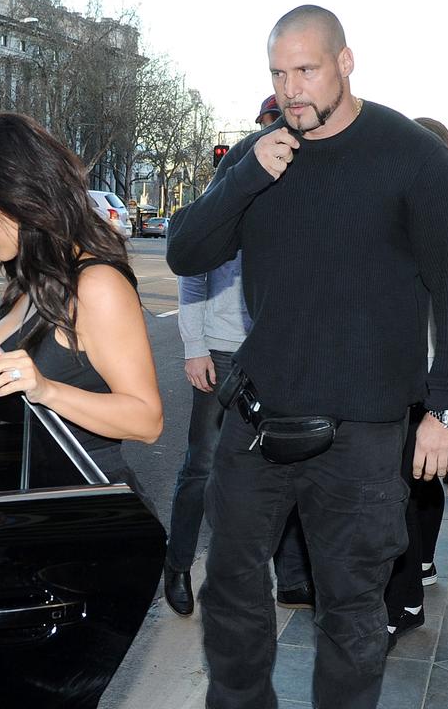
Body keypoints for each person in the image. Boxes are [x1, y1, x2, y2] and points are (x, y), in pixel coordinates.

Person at [166, 5, 448, 708]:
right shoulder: (261, 155)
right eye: (279, 75)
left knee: (350, 610)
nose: (292, 90)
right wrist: (244, 176)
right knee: (230, 591)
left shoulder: (409, 153)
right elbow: (187, 251)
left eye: (306, 70)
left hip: (364, 430)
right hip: (257, 419)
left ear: (345, 63)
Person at [0, 112, 163, 495]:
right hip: (31, 496)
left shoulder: (97, 285)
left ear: (17, 195)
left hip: (84, 505)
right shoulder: (32, 279)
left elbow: (147, 420)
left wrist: (45, 389)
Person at [162, 94, 314, 618]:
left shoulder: (295, 199)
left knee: (287, 459)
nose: (272, 141)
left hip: (275, 354)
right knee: (201, 465)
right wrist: (194, 347)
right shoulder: (226, 194)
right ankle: (178, 565)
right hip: (223, 354)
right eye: (265, 129)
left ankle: (290, 573)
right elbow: (192, 275)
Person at [380, 116, 448, 651]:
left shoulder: (442, 218)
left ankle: (403, 600)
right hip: (402, 378)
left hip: (428, 383)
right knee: (404, 491)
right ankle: (407, 593)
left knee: (405, 493)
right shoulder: (406, 211)